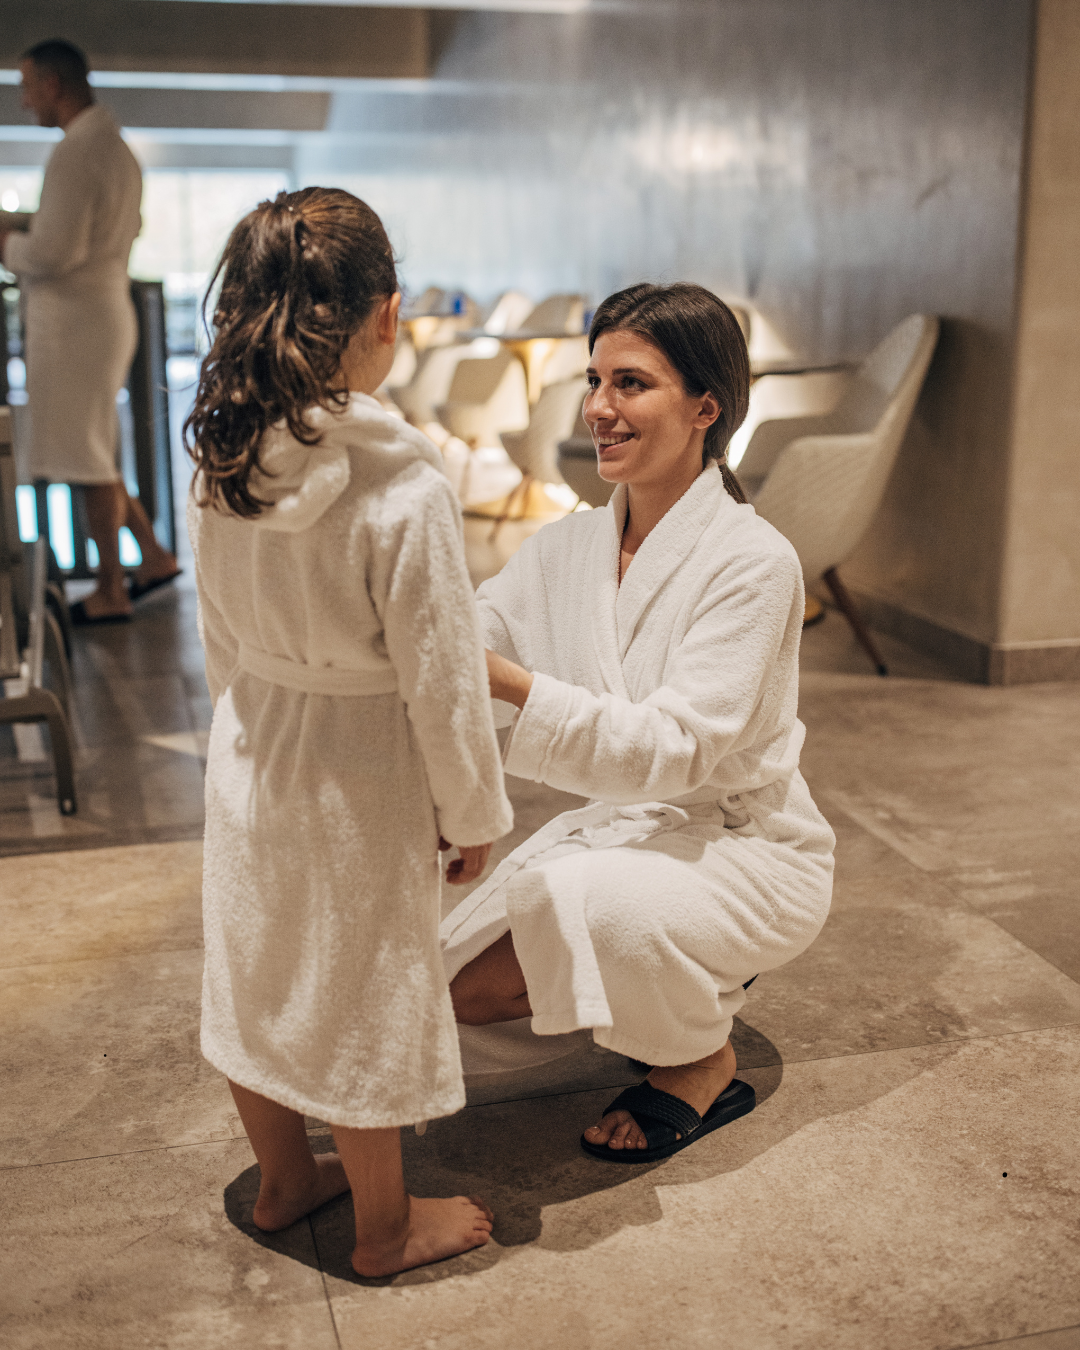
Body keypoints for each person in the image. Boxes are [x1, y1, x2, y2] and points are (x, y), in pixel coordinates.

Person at [186, 188, 512, 1275]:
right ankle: (385, 1224)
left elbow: (217, 632)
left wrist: (240, 729)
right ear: (386, 315)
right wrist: (472, 809)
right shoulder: (401, 484)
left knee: (258, 963)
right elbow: (442, 678)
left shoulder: (224, 458)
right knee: (367, 980)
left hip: (253, 743)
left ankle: (285, 1180)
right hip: (359, 767)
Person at [444, 283, 835, 1162]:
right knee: (452, 993)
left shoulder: (754, 562)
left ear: (706, 407)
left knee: (596, 910)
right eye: (595, 380)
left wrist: (512, 686)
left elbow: (672, 752)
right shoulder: (568, 546)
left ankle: (699, 1057)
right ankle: (672, 978)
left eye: (631, 383)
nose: (598, 407)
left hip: (748, 849)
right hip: (631, 833)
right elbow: (475, 633)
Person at [0, 39, 179, 624]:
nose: (25, 101)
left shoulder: (76, 151)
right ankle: (151, 557)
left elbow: (54, 252)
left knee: (86, 462)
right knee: (95, 451)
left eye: (28, 87)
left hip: (75, 326)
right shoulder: (114, 147)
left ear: (53, 85)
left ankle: (109, 589)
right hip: (100, 315)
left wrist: (7, 243)